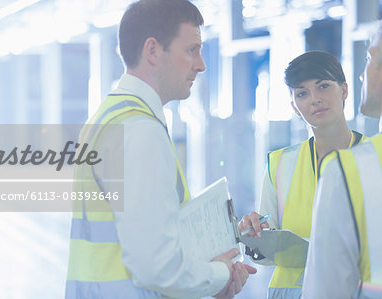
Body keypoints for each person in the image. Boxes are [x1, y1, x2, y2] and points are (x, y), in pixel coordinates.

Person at [65, 1, 256, 298]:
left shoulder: (110, 117)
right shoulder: (140, 131)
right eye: (192, 50)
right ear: (153, 50)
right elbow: (157, 267)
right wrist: (220, 272)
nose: (201, 64)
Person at [239, 51, 368, 299]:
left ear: (344, 90)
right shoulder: (280, 163)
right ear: (295, 108)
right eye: (302, 93)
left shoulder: (375, 158)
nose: (315, 99)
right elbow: (268, 249)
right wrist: (255, 233)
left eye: (323, 86)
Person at [302, 22, 382, 299]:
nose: (363, 75)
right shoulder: (280, 162)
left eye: (370, 59)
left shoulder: (347, 171)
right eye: (302, 93)